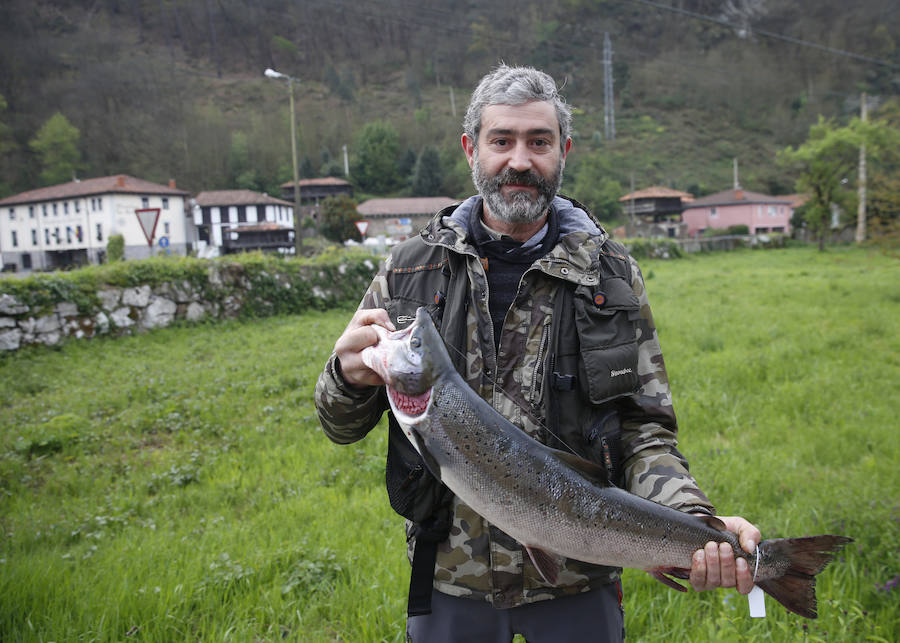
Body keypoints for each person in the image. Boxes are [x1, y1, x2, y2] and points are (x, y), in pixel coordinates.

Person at [315, 64, 761, 642]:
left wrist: (697, 525)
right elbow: (339, 425)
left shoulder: (612, 274)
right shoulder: (408, 270)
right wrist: (347, 379)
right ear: (471, 147)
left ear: (564, 151)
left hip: (582, 583)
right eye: (502, 140)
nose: (519, 161)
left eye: (538, 142)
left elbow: (643, 431)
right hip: (453, 581)